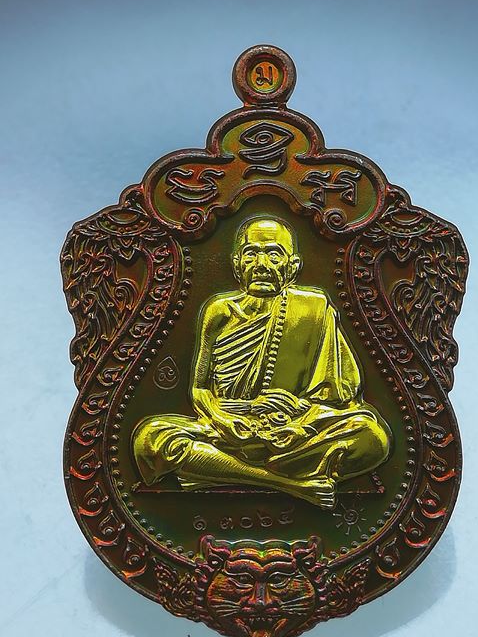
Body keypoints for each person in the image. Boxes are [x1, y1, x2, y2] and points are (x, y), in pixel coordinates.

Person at [132, 217, 391, 509]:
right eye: (251, 254)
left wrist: (300, 422)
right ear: (237, 264)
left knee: (373, 437)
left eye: (274, 255)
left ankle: (218, 470)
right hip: (229, 429)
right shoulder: (219, 311)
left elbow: (340, 396)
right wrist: (222, 419)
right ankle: (290, 485)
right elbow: (200, 389)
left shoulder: (313, 308)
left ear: (292, 266)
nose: (261, 264)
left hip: (290, 432)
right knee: (151, 438)